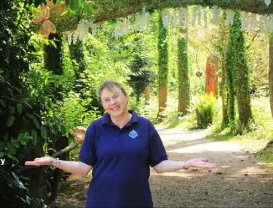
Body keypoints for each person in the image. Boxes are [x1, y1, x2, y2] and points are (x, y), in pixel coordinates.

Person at [25, 80, 217, 208]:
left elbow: (159, 164)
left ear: (126, 97)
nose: (112, 103)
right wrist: (52, 161)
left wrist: (186, 163)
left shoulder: (144, 126)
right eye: (106, 100)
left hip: (137, 201)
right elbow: (83, 168)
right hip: (101, 202)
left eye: (115, 96)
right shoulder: (96, 128)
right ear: (102, 105)